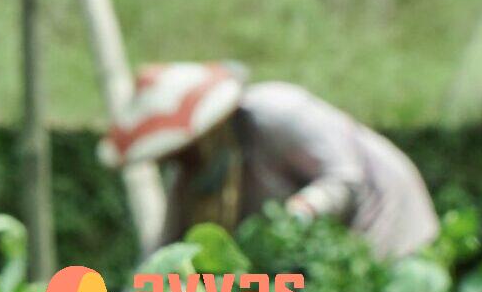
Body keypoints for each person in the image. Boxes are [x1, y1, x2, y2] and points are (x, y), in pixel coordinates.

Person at [100, 62, 439, 260]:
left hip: (384, 213)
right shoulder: (193, 177)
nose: (178, 162)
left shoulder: (277, 112)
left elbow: (345, 179)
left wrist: (296, 215)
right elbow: (165, 253)